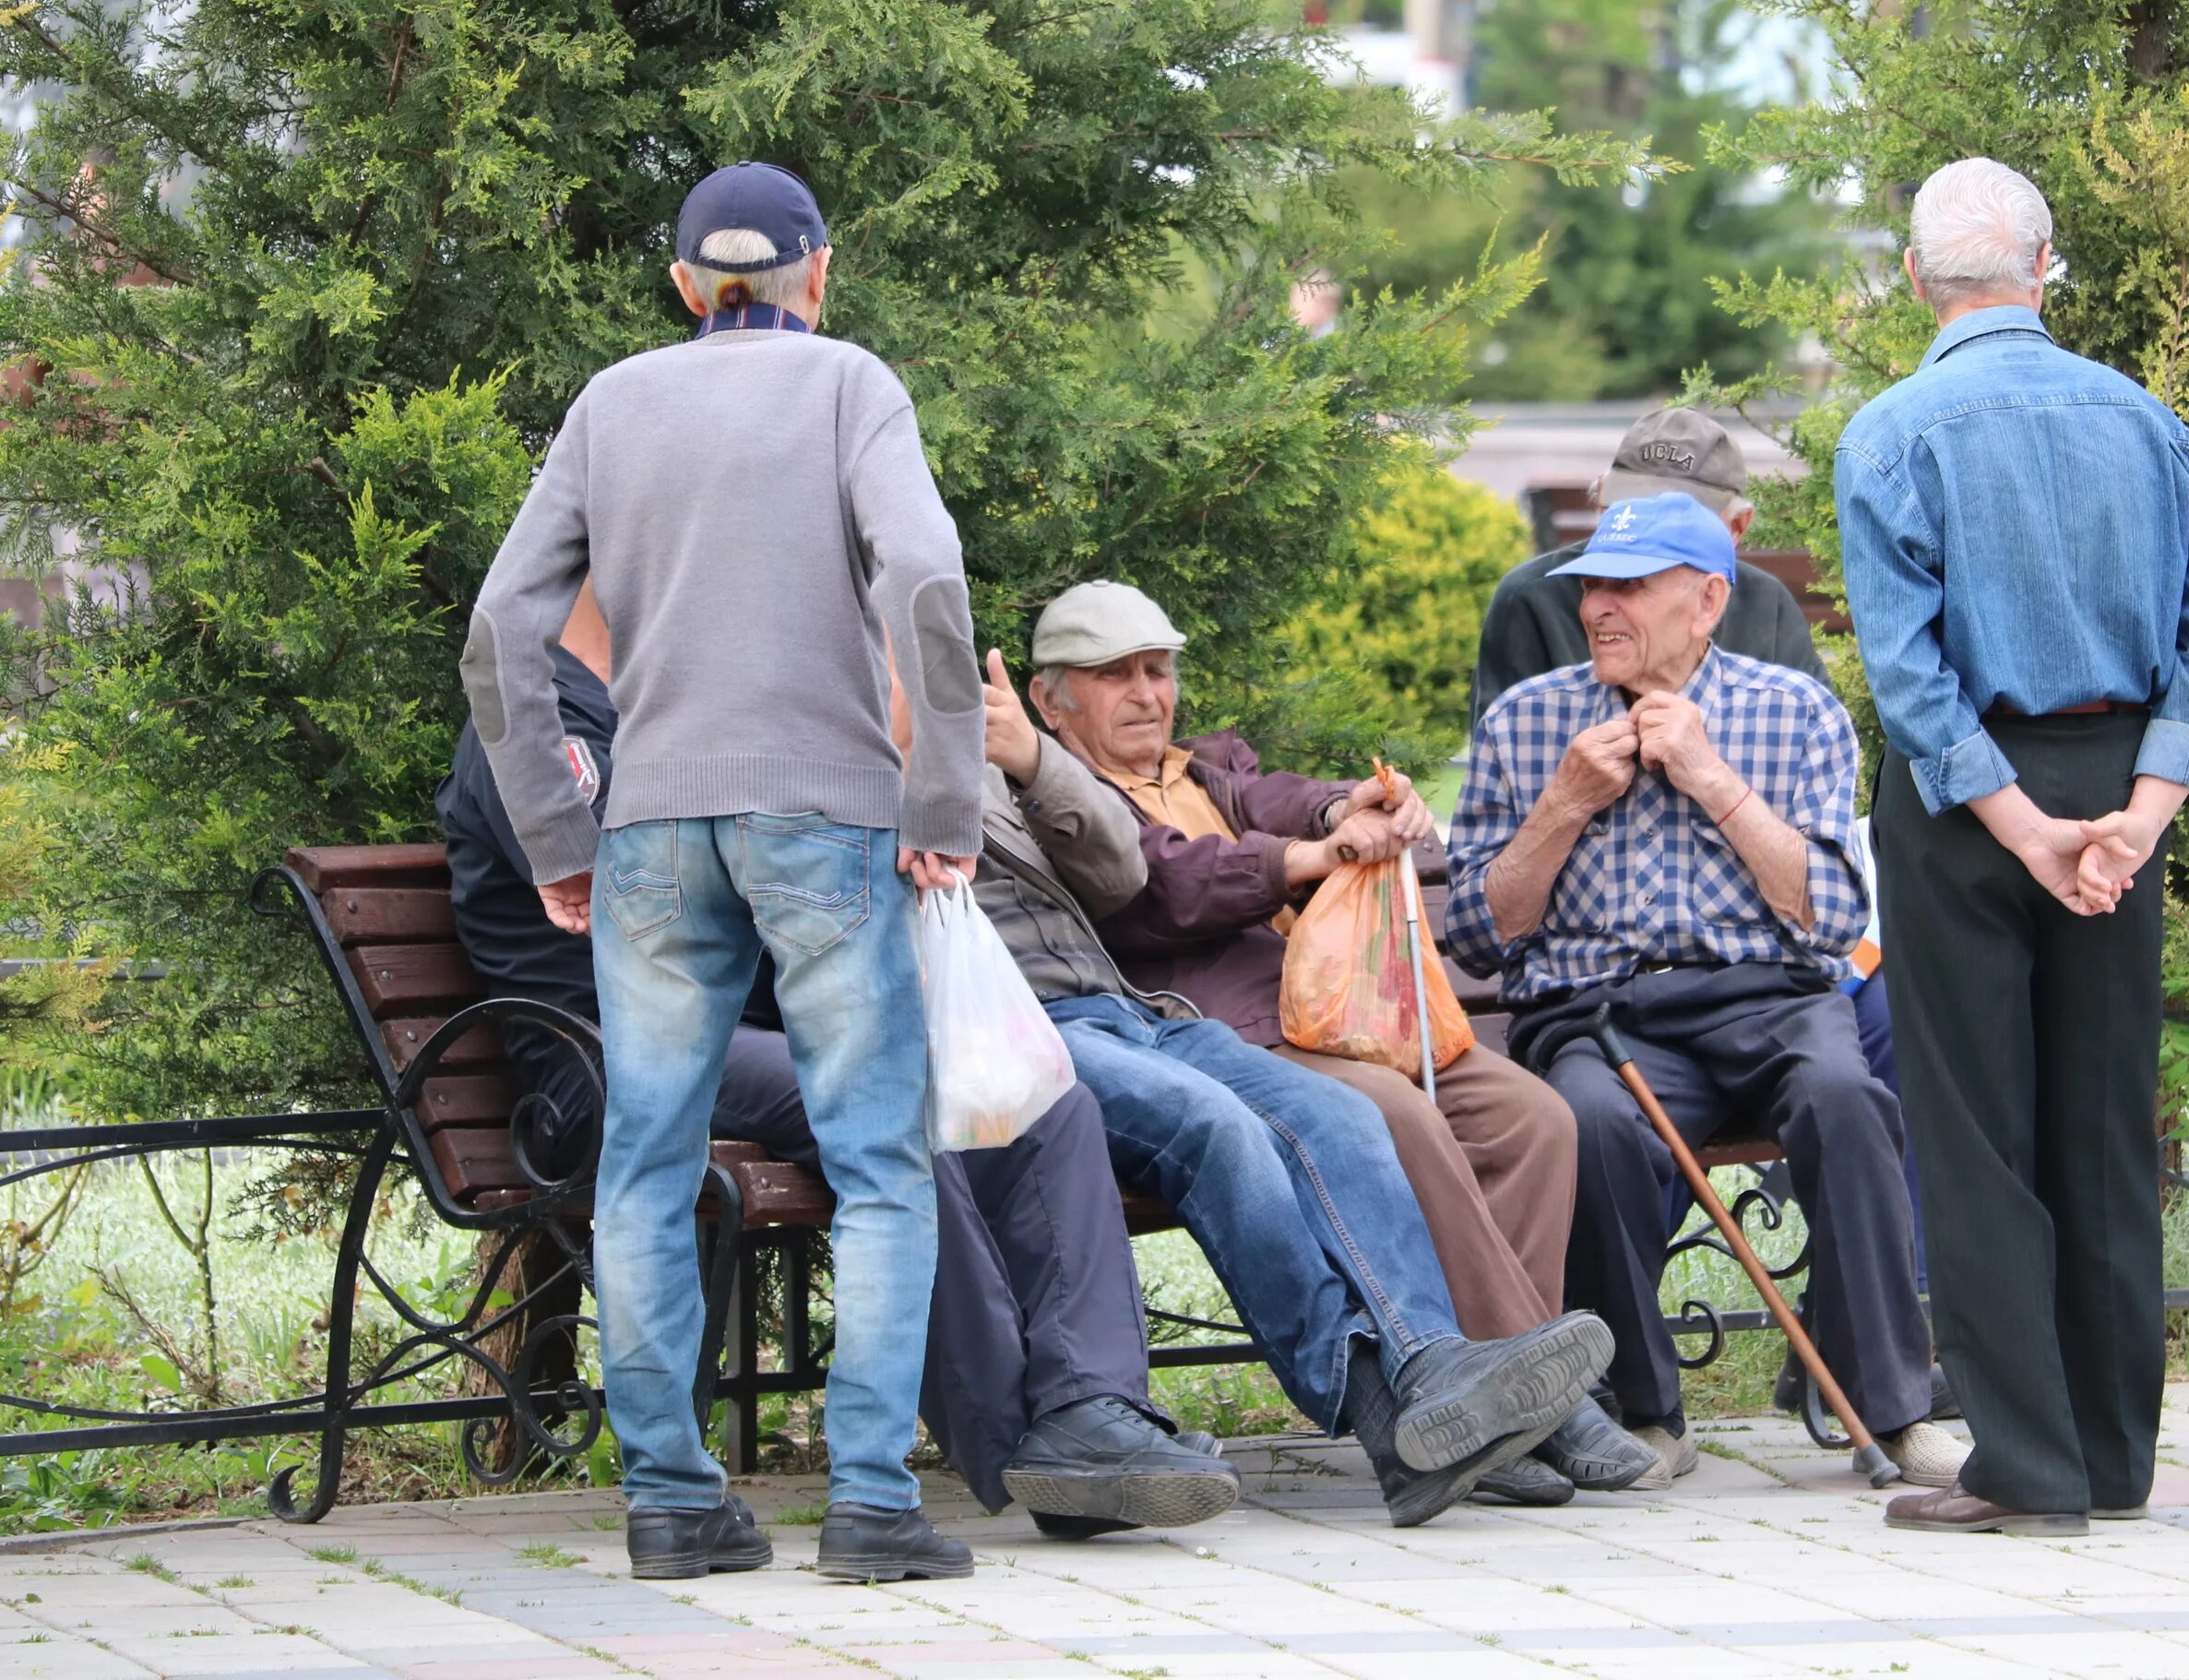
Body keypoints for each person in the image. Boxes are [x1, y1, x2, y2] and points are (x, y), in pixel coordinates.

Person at [439, 583, 1242, 1543]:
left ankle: (1091, 1409)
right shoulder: (532, 717)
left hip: (747, 1035)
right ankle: (1021, 1436)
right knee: (885, 1100)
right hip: (609, 1053)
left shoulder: (678, 711)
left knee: (1041, 1099)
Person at [462, 162, 982, 1583]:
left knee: (644, 1164)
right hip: (823, 818)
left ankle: (674, 1504)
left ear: (688, 284)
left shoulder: (610, 403)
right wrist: (944, 792)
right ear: (821, 270)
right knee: (878, 1160)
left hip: (649, 830)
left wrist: (558, 838)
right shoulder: (849, 385)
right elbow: (927, 579)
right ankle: (872, 1505)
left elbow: (500, 634)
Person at [1024, 581, 1656, 1495]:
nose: (1145, 693)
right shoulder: (1061, 797)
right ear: (1053, 700)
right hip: (1237, 1035)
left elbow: (1273, 794)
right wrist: (1311, 856)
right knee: (1401, 1114)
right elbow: (1163, 884)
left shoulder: (1205, 767)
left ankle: (1497, 1412)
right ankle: (1540, 1414)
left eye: (1157, 670)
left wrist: (1344, 808)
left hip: (1348, 1012)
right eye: (1113, 674)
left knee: (1531, 1115)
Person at [1835, 157, 2189, 1536]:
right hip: (2122, 788)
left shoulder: (1890, 436)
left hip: (1973, 810)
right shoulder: (2151, 424)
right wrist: (2139, 815)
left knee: (1974, 1133)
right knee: (2103, 1122)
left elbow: (1909, 677)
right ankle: (2117, 1456)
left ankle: (2026, 1462)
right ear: (2044, 262)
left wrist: (2018, 824)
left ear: (1915, 280)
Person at [1444, 491, 1968, 1493]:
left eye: (1630, 586)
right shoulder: (1528, 722)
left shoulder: (1794, 709)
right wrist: (1561, 804)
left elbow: (1829, 919)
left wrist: (1711, 776)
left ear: (1707, 600)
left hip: (1771, 998)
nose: (1600, 605)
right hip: (1600, 1011)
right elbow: (1476, 929)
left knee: (1847, 1100)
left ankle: (1891, 1411)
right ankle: (1646, 1410)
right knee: (1590, 1120)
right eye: (1592, 583)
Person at [1470, 407, 1826, 722]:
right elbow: (1504, 765)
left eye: (1683, 515)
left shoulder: (1767, 604)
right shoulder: (1530, 599)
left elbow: (1812, 747)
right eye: (1630, 506)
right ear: (1601, 505)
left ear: (1736, 527)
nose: (1649, 525)